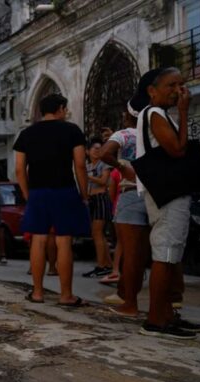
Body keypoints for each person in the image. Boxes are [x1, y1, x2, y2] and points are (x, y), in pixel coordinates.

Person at [132, 67, 200, 339]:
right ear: (152, 91)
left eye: (180, 85)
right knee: (165, 254)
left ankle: (167, 315)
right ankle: (155, 321)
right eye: (171, 85)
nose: (177, 91)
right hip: (167, 195)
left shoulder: (158, 114)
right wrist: (184, 113)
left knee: (171, 254)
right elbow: (177, 150)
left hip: (171, 193)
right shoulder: (154, 113)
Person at [14, 93, 90, 306]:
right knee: (63, 241)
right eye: (65, 109)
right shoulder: (72, 130)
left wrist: (27, 194)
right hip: (64, 190)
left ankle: (37, 293)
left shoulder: (26, 134)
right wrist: (84, 194)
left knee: (38, 240)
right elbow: (80, 165)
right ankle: (66, 295)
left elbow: (19, 169)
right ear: (60, 109)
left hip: (38, 192)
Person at [99, 103, 148, 315]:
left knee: (130, 252)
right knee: (151, 252)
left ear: (128, 117)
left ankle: (128, 300)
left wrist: (121, 167)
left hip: (131, 192)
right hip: (155, 194)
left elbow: (104, 153)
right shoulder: (154, 133)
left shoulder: (124, 134)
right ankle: (172, 299)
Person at [82, 136, 114, 277]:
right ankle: (108, 265)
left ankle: (101, 266)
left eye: (99, 149)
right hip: (91, 199)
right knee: (98, 234)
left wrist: (87, 176)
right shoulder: (88, 166)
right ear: (87, 151)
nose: (97, 151)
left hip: (101, 198)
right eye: (94, 149)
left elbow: (104, 181)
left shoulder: (104, 164)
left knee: (98, 233)